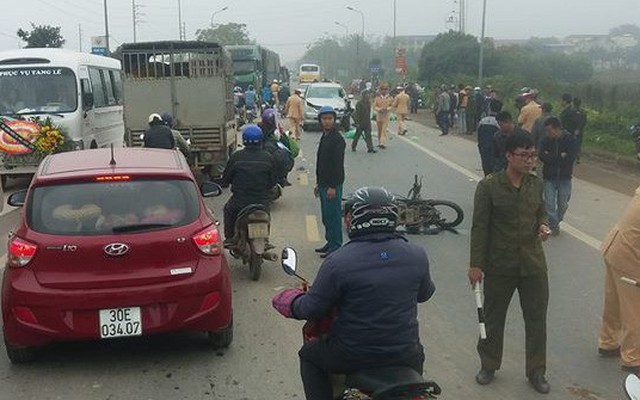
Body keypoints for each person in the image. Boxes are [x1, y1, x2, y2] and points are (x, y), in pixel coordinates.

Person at [272, 186, 435, 400]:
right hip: (405, 353)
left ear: (352, 218)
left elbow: (312, 308)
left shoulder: (338, 262)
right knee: (416, 359)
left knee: (309, 356)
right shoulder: (417, 254)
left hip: (353, 354)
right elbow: (424, 294)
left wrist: (288, 299)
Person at [468, 132, 552, 394]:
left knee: (536, 320)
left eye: (531, 155)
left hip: (533, 265)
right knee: (493, 319)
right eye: (523, 155)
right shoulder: (489, 186)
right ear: (508, 155)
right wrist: (476, 265)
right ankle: (489, 364)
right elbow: (480, 227)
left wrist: (544, 226)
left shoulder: (535, 184)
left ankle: (536, 371)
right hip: (499, 264)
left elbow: (542, 212)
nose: (529, 160)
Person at [598, 186, 640, 376]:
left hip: (615, 247)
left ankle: (608, 342)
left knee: (613, 302)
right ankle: (633, 359)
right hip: (631, 256)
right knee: (635, 311)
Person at [220, 125, 277, 244]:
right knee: (266, 215)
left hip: (239, 202)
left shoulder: (236, 157)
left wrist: (225, 183)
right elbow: (273, 182)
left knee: (228, 210)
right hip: (261, 201)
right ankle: (265, 239)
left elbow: (226, 179)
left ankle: (230, 238)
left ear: (244, 140)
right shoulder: (268, 158)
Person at [314, 106, 345, 257]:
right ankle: (330, 242)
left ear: (334, 120)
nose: (327, 122)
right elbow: (321, 163)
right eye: (324, 119)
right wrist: (318, 184)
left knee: (333, 216)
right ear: (320, 121)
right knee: (326, 216)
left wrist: (333, 186)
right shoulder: (325, 136)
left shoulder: (337, 139)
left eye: (330, 119)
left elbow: (337, 165)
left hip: (333, 184)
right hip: (323, 184)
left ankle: (336, 246)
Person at [538, 117, 577, 236]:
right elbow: (542, 156)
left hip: (565, 177)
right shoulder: (545, 140)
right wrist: (560, 156)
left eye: (549, 131)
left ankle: (556, 221)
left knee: (563, 204)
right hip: (549, 177)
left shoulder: (570, 140)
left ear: (557, 128)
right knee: (549, 204)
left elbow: (571, 158)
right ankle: (553, 226)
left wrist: (552, 157)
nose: (547, 133)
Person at [260, 108, 294, 186]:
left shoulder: (259, 128)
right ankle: (282, 178)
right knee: (285, 155)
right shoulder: (275, 132)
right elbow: (290, 148)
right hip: (270, 154)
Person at [476, 100, 502, 176]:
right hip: (495, 149)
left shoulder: (483, 121)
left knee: (486, 166)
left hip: (484, 147)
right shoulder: (499, 123)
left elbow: (479, 136)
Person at [373, 83, 393, 148]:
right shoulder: (377, 98)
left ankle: (382, 143)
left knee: (384, 130)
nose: (384, 91)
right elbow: (374, 106)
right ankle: (380, 142)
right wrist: (379, 109)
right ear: (380, 90)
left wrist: (387, 109)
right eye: (382, 89)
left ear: (387, 90)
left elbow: (392, 106)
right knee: (379, 130)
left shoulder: (390, 98)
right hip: (379, 116)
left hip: (386, 116)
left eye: (385, 89)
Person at [573, 98, 587, 163]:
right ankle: (577, 157)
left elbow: (573, 121)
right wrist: (580, 129)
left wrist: (576, 129)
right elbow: (584, 122)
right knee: (578, 144)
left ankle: (574, 157)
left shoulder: (572, 111)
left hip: (573, 130)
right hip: (580, 130)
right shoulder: (583, 111)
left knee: (573, 143)